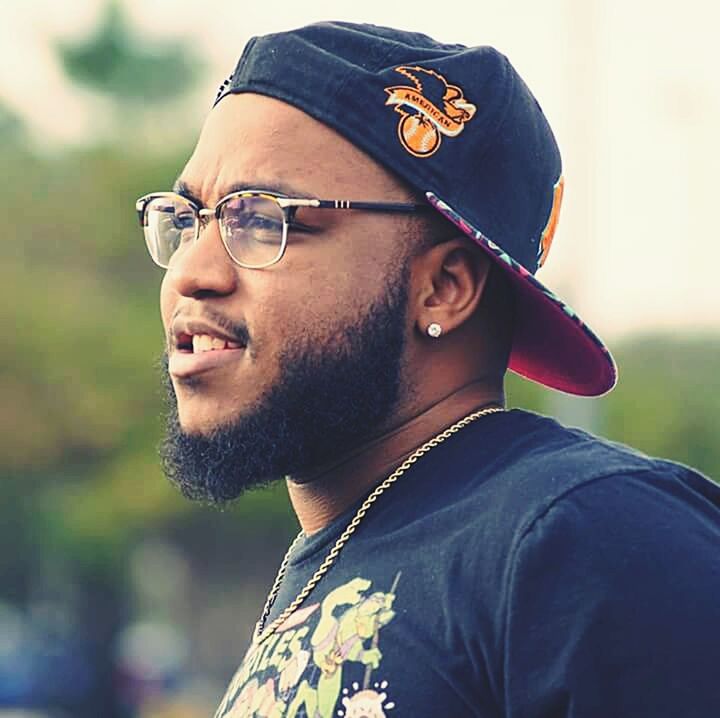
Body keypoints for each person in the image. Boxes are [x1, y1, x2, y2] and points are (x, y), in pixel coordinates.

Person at [135, 21, 720, 718]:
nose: (191, 274)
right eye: (187, 219)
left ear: (443, 288)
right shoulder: (334, 551)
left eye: (262, 219)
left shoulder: (590, 537)